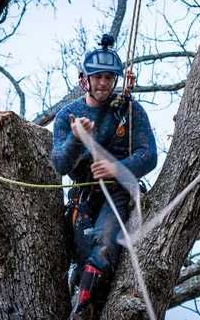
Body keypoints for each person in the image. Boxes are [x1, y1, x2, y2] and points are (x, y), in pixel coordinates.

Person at [51, 34, 157, 319]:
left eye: (109, 78)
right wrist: (77, 138)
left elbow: (149, 155)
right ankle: (79, 291)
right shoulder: (68, 115)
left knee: (105, 247)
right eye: (97, 77)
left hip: (118, 192)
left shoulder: (130, 110)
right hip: (83, 195)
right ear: (83, 79)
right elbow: (60, 164)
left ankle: (81, 310)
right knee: (83, 251)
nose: (103, 83)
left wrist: (116, 168)